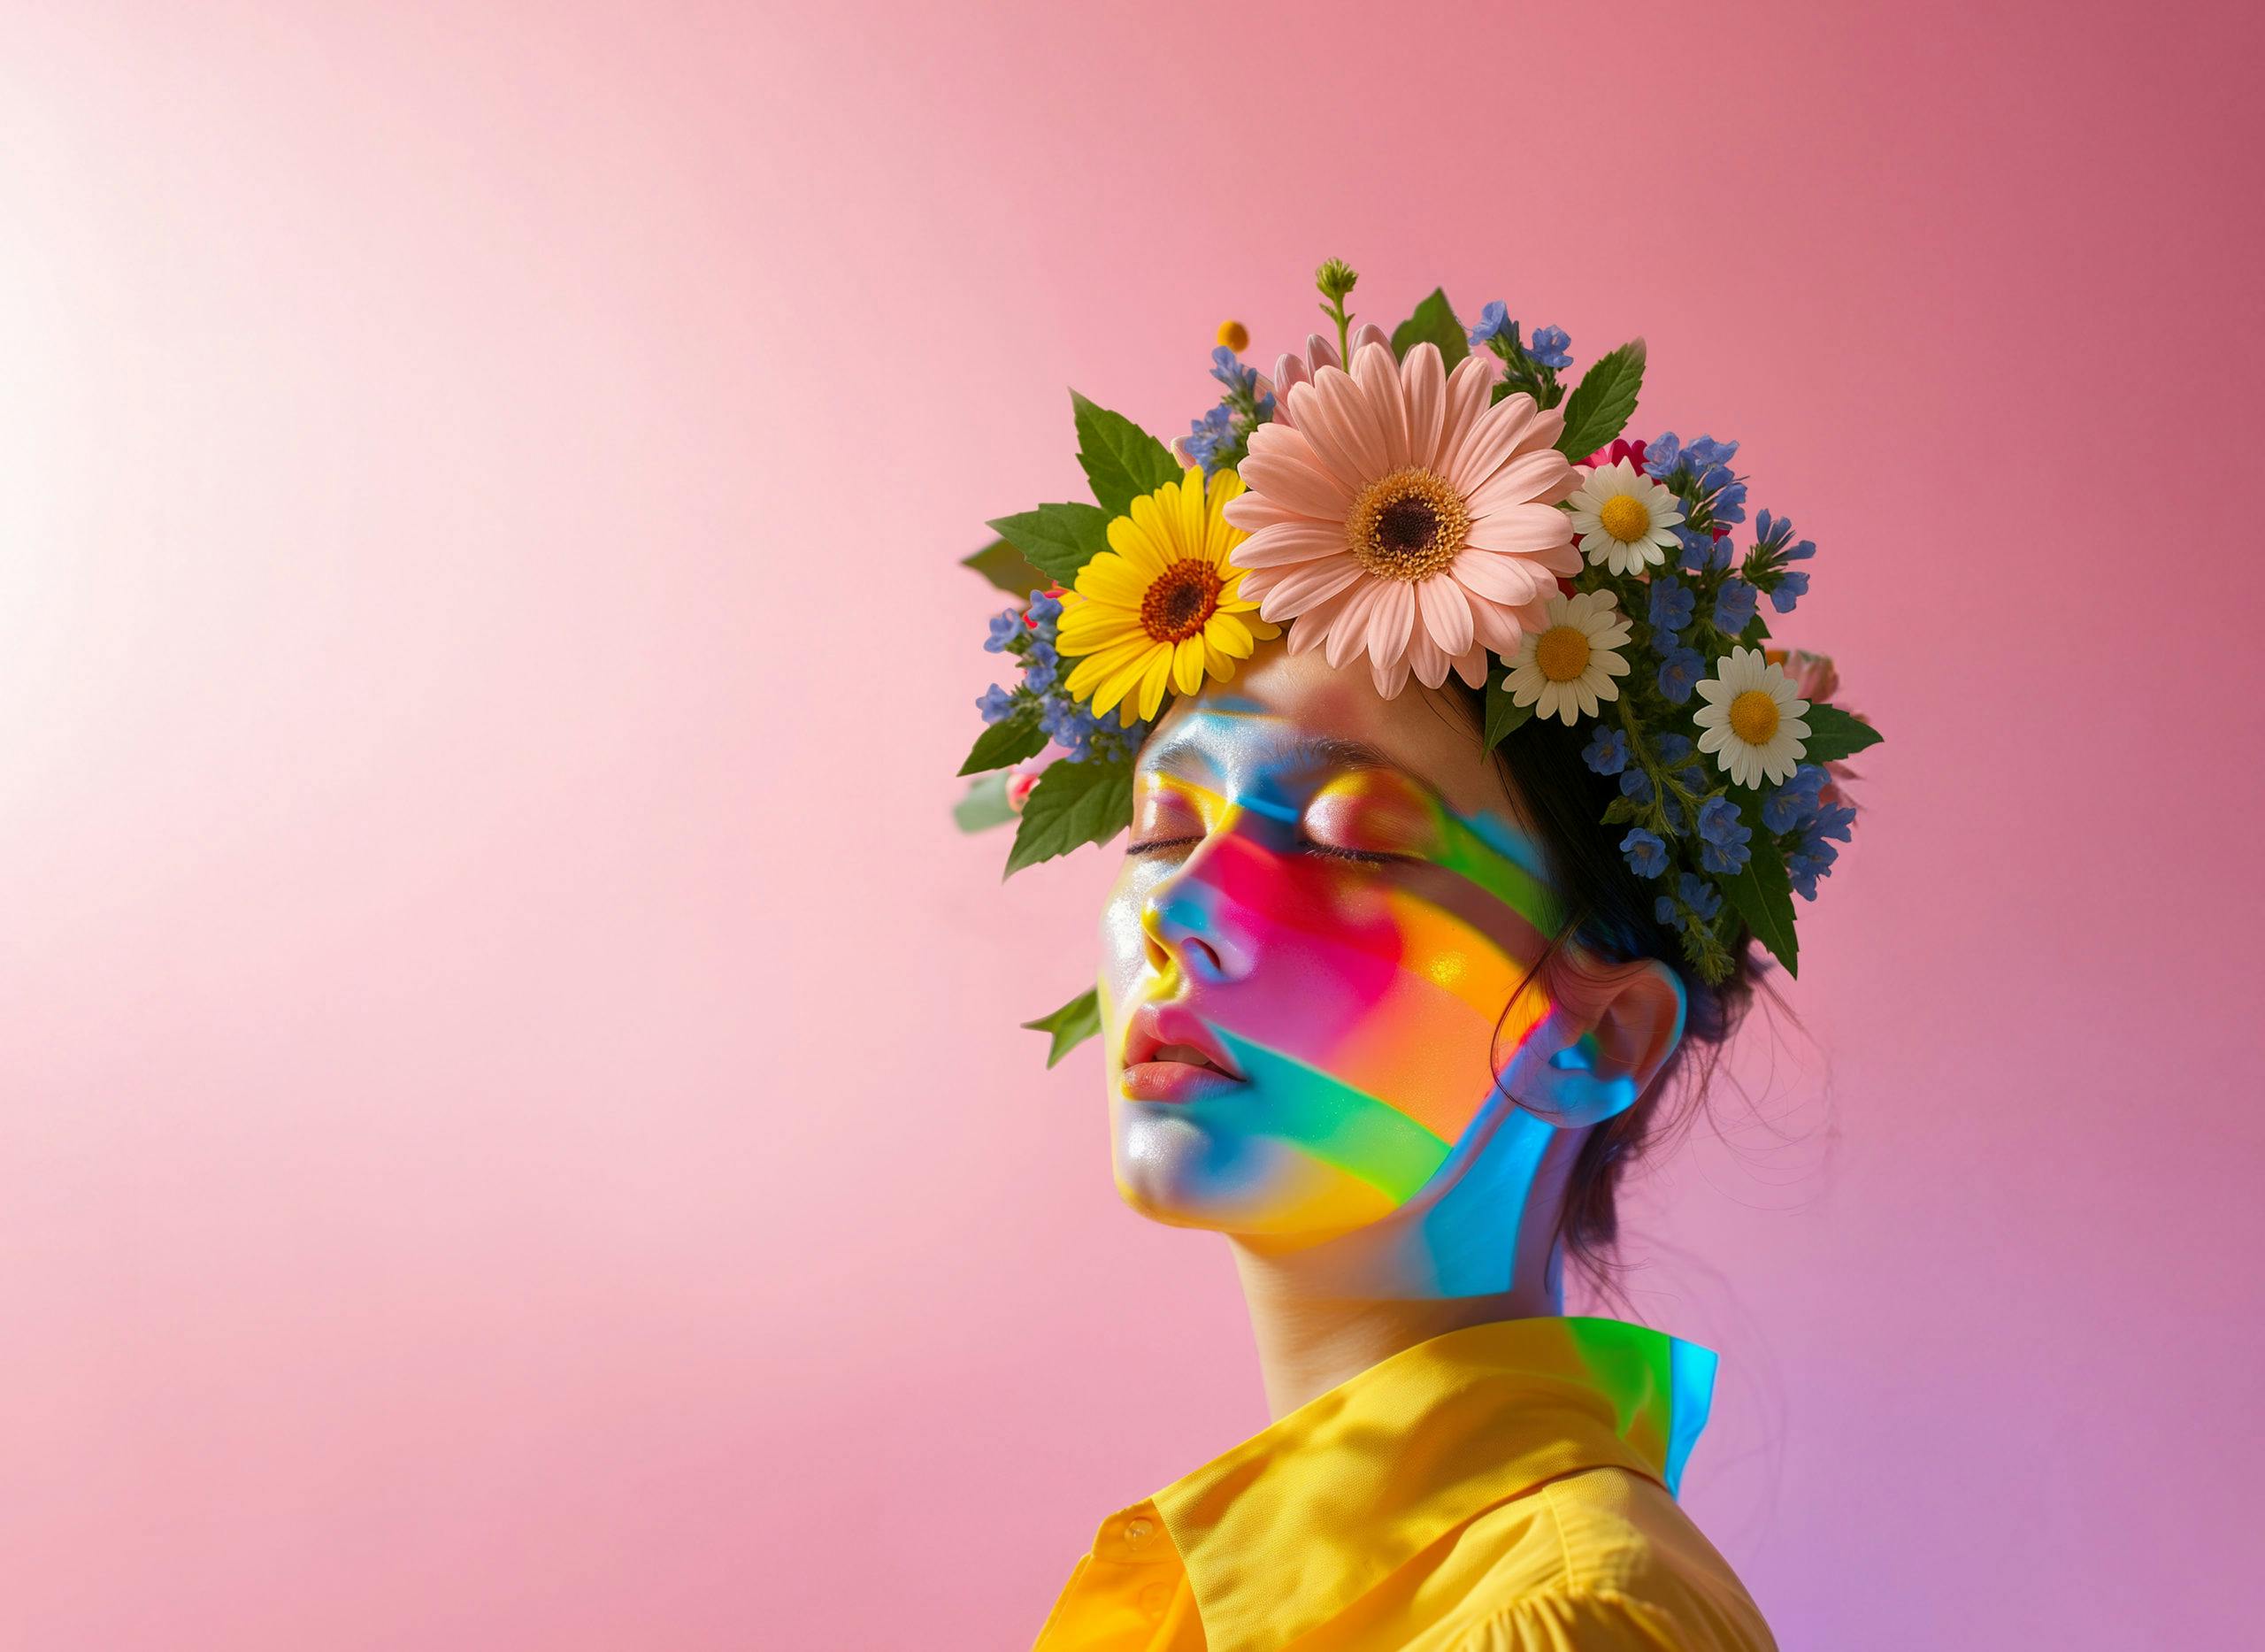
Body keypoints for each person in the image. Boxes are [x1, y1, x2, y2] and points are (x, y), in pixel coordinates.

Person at [963, 265, 1871, 1649]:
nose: (1180, 907)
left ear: (1594, 1038)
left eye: (1346, 839)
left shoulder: (1575, 1617)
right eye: (1161, 825)